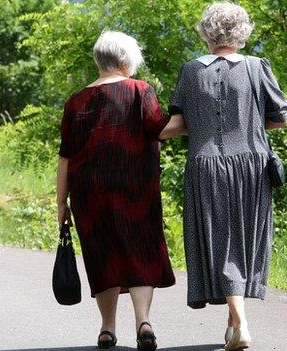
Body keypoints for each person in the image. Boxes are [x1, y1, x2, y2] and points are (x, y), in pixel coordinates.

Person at [168, 2, 287, 350]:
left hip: (205, 164)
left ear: (206, 32)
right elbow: (279, 117)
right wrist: (248, 123)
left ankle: (238, 324)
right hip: (251, 165)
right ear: (242, 32)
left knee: (219, 243)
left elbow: (178, 123)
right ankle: (238, 322)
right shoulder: (256, 67)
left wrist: (147, 131)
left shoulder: (191, 71)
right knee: (240, 243)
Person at [56, 30, 185, 351]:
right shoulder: (140, 90)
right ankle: (143, 322)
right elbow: (161, 128)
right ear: (126, 60)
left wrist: (61, 202)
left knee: (102, 254)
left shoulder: (75, 101)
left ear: (99, 60)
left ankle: (107, 328)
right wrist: (195, 117)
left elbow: (65, 156)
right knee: (139, 248)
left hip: (88, 191)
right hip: (134, 186)